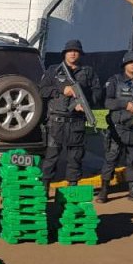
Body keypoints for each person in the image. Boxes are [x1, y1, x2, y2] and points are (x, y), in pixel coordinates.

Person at [39, 39, 102, 190]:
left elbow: (98, 93)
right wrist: (61, 90)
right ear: (65, 53)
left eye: (76, 51)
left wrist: (86, 103)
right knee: (51, 158)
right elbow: (42, 90)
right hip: (56, 122)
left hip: (77, 122)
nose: (73, 53)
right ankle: (44, 189)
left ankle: (71, 190)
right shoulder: (54, 70)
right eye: (70, 51)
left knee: (75, 158)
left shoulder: (88, 72)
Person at [98, 51, 133, 203]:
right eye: (131, 62)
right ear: (125, 65)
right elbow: (107, 102)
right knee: (111, 159)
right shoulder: (115, 80)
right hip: (118, 127)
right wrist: (125, 105)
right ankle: (104, 190)